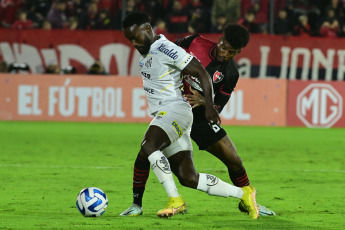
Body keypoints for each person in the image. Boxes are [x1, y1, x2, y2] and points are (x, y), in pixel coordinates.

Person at [120, 22, 276, 218]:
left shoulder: (230, 73)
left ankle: (249, 201)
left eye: (232, 52)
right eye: (225, 47)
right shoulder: (194, 43)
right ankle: (137, 204)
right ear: (220, 39)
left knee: (234, 160)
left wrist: (206, 102)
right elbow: (169, 54)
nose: (225, 54)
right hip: (176, 108)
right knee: (147, 151)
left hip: (201, 117)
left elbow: (219, 105)